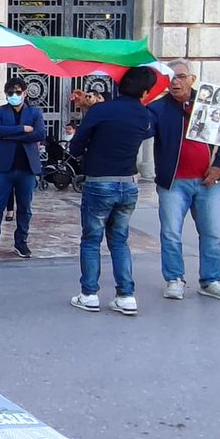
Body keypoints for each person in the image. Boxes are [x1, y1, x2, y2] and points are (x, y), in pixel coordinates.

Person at [67, 66, 156, 315]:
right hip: (128, 183)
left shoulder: (101, 110)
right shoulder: (144, 115)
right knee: (119, 241)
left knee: (92, 239)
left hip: (99, 182)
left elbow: (76, 144)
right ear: (145, 92)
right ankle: (126, 295)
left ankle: (89, 294)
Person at [147, 61, 220, 301]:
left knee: (212, 233)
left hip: (208, 182)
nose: (176, 82)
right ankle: (174, 279)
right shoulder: (158, 108)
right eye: (171, 78)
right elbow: (142, 130)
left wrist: (218, 166)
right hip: (174, 183)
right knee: (171, 233)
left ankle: (211, 279)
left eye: (181, 77)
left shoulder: (209, 101)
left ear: (192, 79)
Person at [0, 76, 46, 259]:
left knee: (25, 207)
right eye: (10, 93)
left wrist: (11, 134)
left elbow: (39, 134)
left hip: (26, 168)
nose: (14, 95)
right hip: (3, 167)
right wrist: (22, 129)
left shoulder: (35, 113)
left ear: (24, 93)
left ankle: (21, 243)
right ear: (6, 94)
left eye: (18, 92)